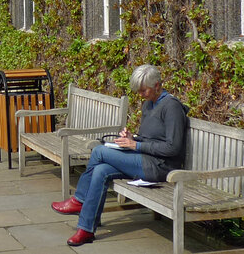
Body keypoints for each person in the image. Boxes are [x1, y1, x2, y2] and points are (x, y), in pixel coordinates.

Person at [51, 64, 188, 246]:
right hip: (144, 160)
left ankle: (80, 200)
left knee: (99, 151)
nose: (141, 94)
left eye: (143, 90)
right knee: (100, 170)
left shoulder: (172, 107)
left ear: (157, 85)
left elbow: (173, 148)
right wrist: (132, 138)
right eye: (138, 91)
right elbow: (150, 138)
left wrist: (136, 145)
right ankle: (86, 229)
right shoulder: (149, 104)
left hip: (161, 167)